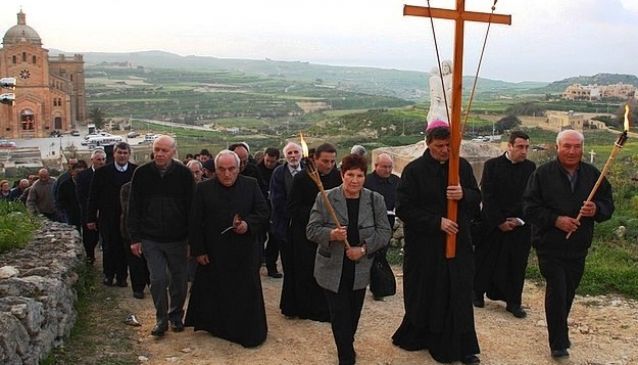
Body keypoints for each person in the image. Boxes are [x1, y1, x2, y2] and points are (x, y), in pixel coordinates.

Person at [392, 124, 482, 365]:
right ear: (428, 143)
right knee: (429, 292)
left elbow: (477, 198)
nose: (444, 151)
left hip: (458, 242)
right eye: (439, 146)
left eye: (448, 146)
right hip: (425, 247)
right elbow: (404, 208)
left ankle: (462, 346)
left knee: (459, 292)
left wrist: (463, 195)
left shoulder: (461, 166)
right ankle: (425, 337)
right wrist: (436, 222)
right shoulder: (414, 171)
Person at [523, 129, 614, 359]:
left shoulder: (595, 175)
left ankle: (559, 330)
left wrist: (596, 210)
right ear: (557, 148)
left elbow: (607, 205)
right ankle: (558, 342)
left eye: (576, 147)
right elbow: (530, 208)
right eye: (567, 146)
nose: (572, 151)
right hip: (549, 244)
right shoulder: (542, 174)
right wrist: (556, 220)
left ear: (582, 149)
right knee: (557, 289)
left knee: (569, 291)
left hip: (578, 245)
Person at [307, 154, 391, 365]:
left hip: (360, 269)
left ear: (365, 176)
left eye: (360, 175)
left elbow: (384, 232)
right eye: (350, 175)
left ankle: (346, 344)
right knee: (340, 315)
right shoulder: (325, 197)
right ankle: (346, 356)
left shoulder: (375, 200)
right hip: (332, 268)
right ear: (342, 175)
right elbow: (311, 230)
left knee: (353, 315)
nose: (355, 180)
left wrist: (362, 249)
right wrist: (332, 235)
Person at [185, 150, 270, 347]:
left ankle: (246, 331)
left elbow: (263, 212)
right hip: (215, 252)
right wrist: (199, 250)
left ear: (239, 168)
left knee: (245, 292)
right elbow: (195, 222)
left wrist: (248, 225)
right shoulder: (203, 189)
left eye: (231, 169)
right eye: (222, 170)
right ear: (215, 170)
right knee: (217, 291)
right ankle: (219, 327)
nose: (227, 174)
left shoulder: (251, 185)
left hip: (244, 251)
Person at [128, 135, 194, 337]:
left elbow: (193, 208)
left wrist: (193, 240)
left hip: (178, 238)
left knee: (180, 281)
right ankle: (161, 320)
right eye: (157, 149)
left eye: (164, 150)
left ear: (173, 152)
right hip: (151, 238)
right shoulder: (142, 173)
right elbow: (133, 207)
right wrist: (135, 238)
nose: (159, 154)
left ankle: (176, 315)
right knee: (157, 280)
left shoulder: (184, 174)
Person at [472, 131, 536, 318]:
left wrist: (519, 220)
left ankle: (513, 302)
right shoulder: (492, 166)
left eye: (526, 147)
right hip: (493, 224)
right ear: (509, 146)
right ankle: (477, 293)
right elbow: (488, 196)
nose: (524, 151)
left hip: (519, 225)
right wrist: (499, 221)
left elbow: (532, 197)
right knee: (486, 259)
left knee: (516, 264)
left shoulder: (531, 168)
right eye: (520, 147)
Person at [283, 143, 342, 321]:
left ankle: (324, 308)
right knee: (304, 270)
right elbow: (293, 208)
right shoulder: (302, 178)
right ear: (315, 159)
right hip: (304, 233)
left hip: (326, 233)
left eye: (332, 161)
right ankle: (303, 308)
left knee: (325, 270)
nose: (329, 165)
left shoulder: (336, 177)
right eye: (325, 161)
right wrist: (318, 212)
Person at [87, 142, 137, 288]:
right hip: (108, 216)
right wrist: (90, 217)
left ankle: (122, 277)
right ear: (114, 154)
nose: (122, 156)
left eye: (125, 153)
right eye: (119, 153)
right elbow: (93, 195)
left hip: (127, 217)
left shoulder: (135, 171)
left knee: (124, 248)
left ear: (129, 154)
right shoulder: (103, 172)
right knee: (109, 246)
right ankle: (108, 275)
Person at [364, 152, 400, 301]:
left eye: (390, 167)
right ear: (376, 166)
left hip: (388, 222)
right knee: (373, 254)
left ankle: (379, 285)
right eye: (384, 167)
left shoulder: (397, 181)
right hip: (369, 223)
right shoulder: (367, 181)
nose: (388, 170)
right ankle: (378, 287)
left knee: (381, 254)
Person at [270, 143, 303, 304]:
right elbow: (276, 200)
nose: (293, 155)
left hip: (305, 227)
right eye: (289, 153)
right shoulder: (278, 173)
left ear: (301, 154)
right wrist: (294, 214)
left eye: (296, 152)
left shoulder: (308, 171)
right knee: (289, 265)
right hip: (285, 226)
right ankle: (290, 302)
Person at [120, 181, 150, 299]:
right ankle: (138, 288)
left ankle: (150, 283)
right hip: (131, 230)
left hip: (149, 230)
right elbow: (128, 210)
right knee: (135, 261)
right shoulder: (127, 188)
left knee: (148, 259)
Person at [76, 149, 106, 265]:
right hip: (89, 213)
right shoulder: (83, 176)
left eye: (103, 159)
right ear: (92, 160)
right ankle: (90, 258)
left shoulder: (109, 173)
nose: (101, 162)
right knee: (89, 239)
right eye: (98, 159)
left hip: (105, 212)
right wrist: (92, 211)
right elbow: (81, 196)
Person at [257, 147, 282, 278]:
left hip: (275, 210)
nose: (269, 164)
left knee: (274, 239)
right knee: (259, 238)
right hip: (260, 209)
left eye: (272, 161)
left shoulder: (280, 171)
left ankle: (271, 267)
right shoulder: (257, 169)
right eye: (267, 160)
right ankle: (258, 262)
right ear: (264, 157)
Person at [57, 160, 88, 230]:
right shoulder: (65, 185)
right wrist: (66, 211)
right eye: (77, 172)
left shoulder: (89, 183)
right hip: (71, 215)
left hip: (86, 215)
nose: (79, 175)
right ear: (72, 172)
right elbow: (60, 200)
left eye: (82, 173)